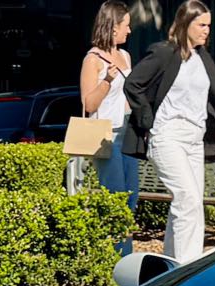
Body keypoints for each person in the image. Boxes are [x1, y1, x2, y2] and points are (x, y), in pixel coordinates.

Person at [122, 0, 215, 264]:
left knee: (190, 204)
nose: (206, 31)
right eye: (201, 25)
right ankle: (187, 267)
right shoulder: (165, 53)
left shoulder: (203, 59)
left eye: (209, 26)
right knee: (187, 200)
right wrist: (147, 120)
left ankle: (171, 266)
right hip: (168, 136)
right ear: (185, 24)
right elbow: (133, 84)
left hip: (194, 140)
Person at [80, 0, 138, 254]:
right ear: (113, 27)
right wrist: (106, 81)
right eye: (126, 25)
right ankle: (116, 259)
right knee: (115, 197)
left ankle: (125, 255)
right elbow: (89, 104)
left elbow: (128, 99)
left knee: (131, 198)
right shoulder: (92, 59)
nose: (130, 30)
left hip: (128, 134)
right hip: (105, 136)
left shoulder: (125, 56)